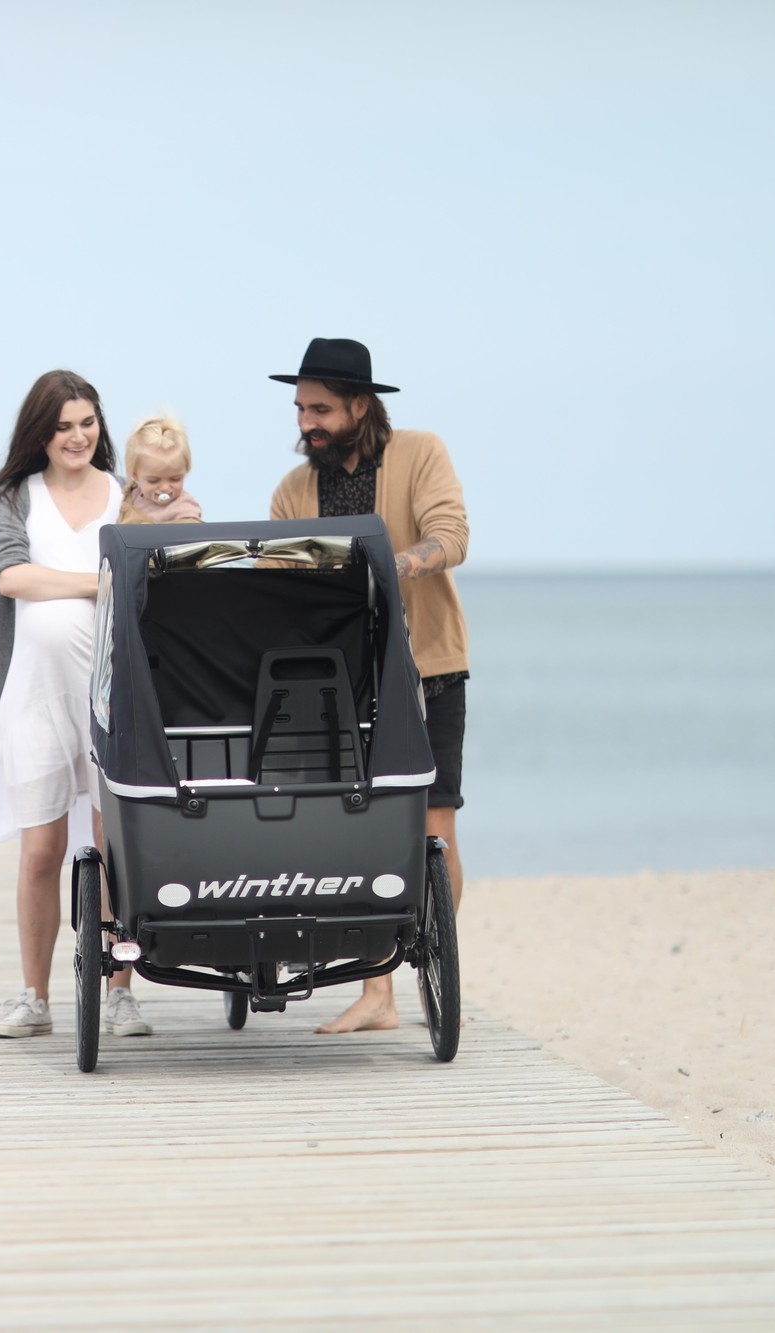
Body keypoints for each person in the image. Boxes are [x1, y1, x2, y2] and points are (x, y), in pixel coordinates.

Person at [266, 338, 470, 1035]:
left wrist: (394, 563)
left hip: (429, 668)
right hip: (340, 681)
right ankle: (377, 990)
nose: (307, 422)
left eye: (320, 409)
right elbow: (279, 581)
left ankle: (431, 954)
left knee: (435, 827)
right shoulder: (293, 491)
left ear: (359, 406)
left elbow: (452, 535)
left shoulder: (421, 452)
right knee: (356, 829)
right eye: (301, 409)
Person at [0, 370, 150, 1040]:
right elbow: (10, 575)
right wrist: (98, 581)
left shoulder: (128, 496)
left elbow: (155, 566)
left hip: (115, 701)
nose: (78, 436)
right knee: (42, 850)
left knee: (113, 847)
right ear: (39, 434)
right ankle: (34, 997)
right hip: (35, 698)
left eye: (87, 423)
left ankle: (119, 992)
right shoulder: (16, 497)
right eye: (63, 425)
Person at [116, 412, 203, 524]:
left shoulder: (185, 508)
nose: (165, 488)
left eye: (175, 479)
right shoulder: (130, 500)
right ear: (135, 474)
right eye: (153, 481)